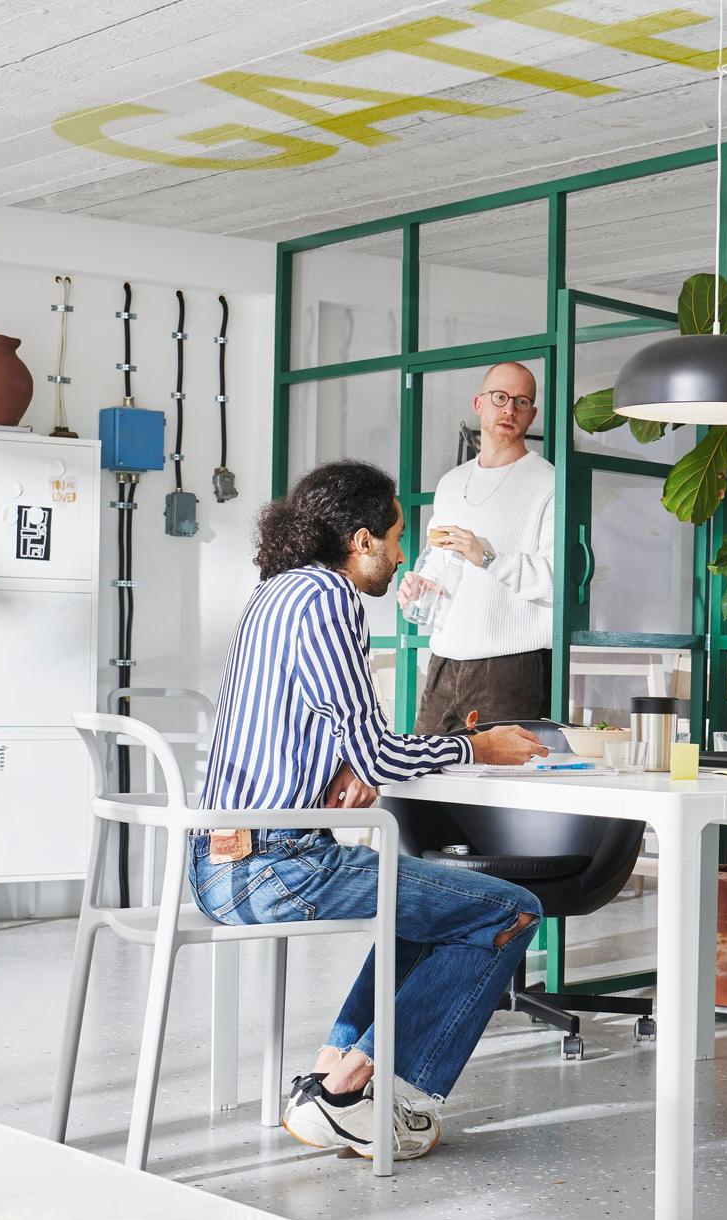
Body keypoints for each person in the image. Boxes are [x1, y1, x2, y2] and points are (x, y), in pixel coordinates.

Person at [190, 459, 551, 1162]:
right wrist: (478, 746)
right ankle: (359, 1092)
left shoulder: (276, 592)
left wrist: (346, 764)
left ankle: (332, 1080)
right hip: (274, 866)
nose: (401, 554)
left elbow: (335, 736)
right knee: (507, 911)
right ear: (360, 540)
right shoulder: (330, 600)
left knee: (425, 896)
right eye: (395, 537)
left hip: (224, 858)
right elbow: (384, 756)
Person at [400, 361, 556, 732]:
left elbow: (557, 581)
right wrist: (419, 588)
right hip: (443, 660)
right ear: (478, 403)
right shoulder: (451, 483)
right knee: (417, 785)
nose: (509, 409)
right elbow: (437, 564)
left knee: (505, 788)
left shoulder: (549, 482)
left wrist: (488, 557)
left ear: (532, 415)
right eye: (500, 397)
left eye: (521, 402)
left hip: (511, 666)